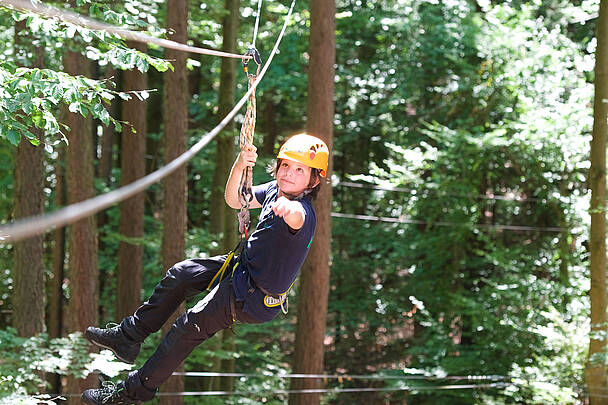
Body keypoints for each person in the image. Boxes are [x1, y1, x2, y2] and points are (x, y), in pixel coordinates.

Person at [81, 133, 329, 404]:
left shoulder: (302, 211)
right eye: (285, 165)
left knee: (185, 328)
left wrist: (289, 207)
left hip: (252, 297)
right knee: (182, 274)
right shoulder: (273, 191)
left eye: (299, 170)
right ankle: (128, 337)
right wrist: (239, 164)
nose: (289, 173)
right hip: (242, 268)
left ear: (314, 180)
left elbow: (298, 218)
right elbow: (235, 199)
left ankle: (128, 394)